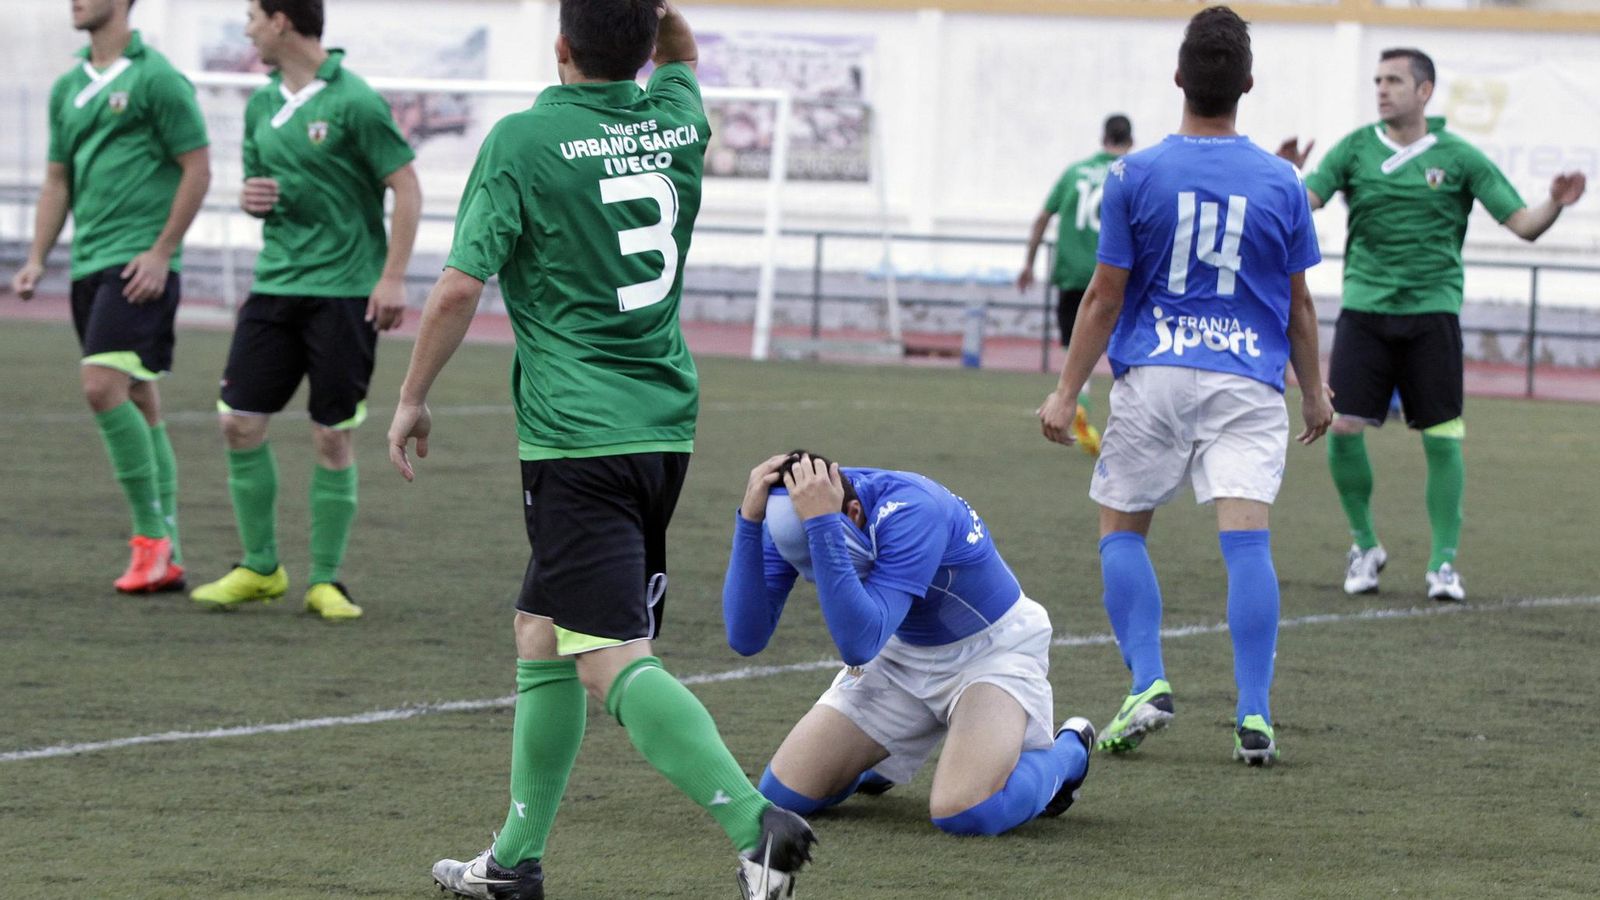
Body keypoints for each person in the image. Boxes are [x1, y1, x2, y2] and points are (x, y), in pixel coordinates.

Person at [385, 4, 814, 898]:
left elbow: (461, 286)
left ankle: (753, 825)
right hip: (662, 427)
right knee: (541, 632)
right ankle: (513, 863)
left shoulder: (524, 140)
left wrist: (413, 395)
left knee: (608, 651)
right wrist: (665, 29)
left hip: (577, 436)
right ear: (649, 47)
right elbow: (684, 58)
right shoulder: (676, 117)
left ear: (561, 47)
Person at [1036, 6, 1333, 765]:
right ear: (1249, 85)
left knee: (1122, 529)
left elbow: (1104, 295)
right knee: (1246, 543)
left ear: (1178, 79)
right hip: (1247, 381)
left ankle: (1148, 681)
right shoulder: (1282, 182)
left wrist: (1066, 391)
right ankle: (1256, 715)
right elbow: (1299, 303)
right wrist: (1317, 391)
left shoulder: (1134, 173)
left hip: (1156, 375)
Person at [1278, 48, 1587, 602]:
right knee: (1343, 427)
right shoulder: (1354, 148)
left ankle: (1443, 564)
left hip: (1433, 315)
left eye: (1394, 80)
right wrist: (1285, 175)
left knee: (1443, 439)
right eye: (1377, 80)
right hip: (1365, 313)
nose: (1381, 89)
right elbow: (1303, 205)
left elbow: (1523, 225)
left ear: (1424, 92)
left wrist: (1555, 204)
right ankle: (1365, 545)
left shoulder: (1460, 157)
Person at [188, 0, 421, 621]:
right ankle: (260, 567)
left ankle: (326, 580)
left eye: (252, 17)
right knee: (238, 422)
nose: (247, 30)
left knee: (331, 435)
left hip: (345, 290)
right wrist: (251, 200)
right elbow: (261, 189)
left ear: (282, 20)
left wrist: (392, 277)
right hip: (275, 284)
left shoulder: (356, 101)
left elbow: (406, 186)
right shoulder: (263, 103)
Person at [723, 451, 1095, 836]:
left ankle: (1070, 751)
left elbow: (859, 643)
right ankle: (873, 761)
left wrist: (822, 529)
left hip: (990, 653)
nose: (813, 573)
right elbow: (745, 637)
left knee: (966, 812)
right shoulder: (792, 510)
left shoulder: (912, 509)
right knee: (782, 795)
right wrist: (749, 523)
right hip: (897, 650)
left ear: (851, 513)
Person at [9, 0, 210, 594]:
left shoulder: (157, 78)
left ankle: (149, 539)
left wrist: (161, 251)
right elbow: (57, 179)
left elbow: (197, 167)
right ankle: (167, 550)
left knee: (100, 385)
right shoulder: (69, 85)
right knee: (139, 397)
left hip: (138, 266)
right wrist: (37, 257)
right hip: (89, 266)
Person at [1015, 116, 1135, 459]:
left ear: (1102, 138)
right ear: (1130, 140)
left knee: (1076, 345)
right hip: (1114, 273)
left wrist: (1029, 262)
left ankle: (1078, 399)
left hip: (1072, 272)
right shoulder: (1133, 173)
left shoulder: (1074, 173)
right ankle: (1127, 420)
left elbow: (1042, 217)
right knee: (1124, 348)